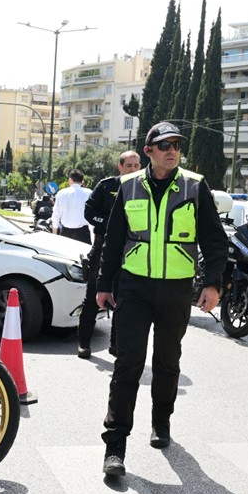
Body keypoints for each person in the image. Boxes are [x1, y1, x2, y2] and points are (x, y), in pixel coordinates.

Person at [96, 122, 227, 477]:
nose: (172, 150)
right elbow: (113, 240)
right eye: (164, 144)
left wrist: (212, 284)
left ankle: (161, 422)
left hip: (175, 290)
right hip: (135, 288)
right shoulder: (128, 186)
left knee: (167, 364)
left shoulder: (195, 186)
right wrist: (104, 284)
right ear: (149, 150)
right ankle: (115, 446)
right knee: (127, 365)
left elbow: (215, 241)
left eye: (177, 145)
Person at [76, 151, 141, 359]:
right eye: (128, 165)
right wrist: (111, 226)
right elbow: (89, 211)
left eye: (136, 165)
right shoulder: (106, 186)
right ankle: (84, 343)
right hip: (102, 249)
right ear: (119, 166)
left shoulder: (142, 188)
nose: (133, 169)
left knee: (122, 301)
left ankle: (115, 345)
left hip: (129, 253)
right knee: (93, 298)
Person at [51, 169, 92, 243]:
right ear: (82, 181)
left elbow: (56, 215)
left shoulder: (61, 193)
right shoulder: (89, 193)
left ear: (70, 180)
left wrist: (54, 234)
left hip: (66, 233)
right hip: (84, 233)